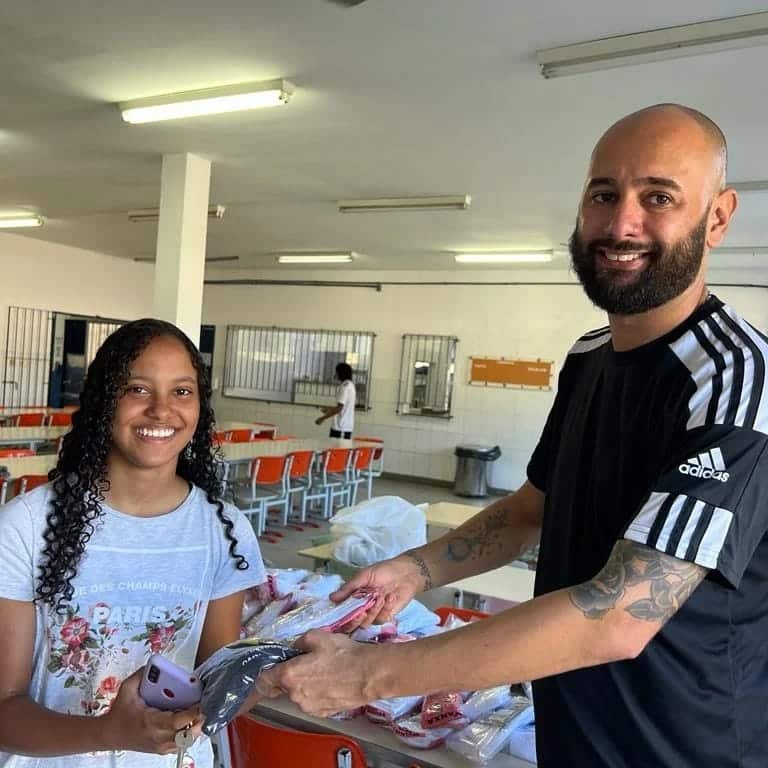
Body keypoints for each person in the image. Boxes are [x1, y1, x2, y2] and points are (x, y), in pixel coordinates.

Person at [255, 104, 768, 767]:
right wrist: (418, 568)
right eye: (604, 194)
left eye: (658, 197)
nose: (620, 223)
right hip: (572, 735)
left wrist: (365, 674)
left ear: (718, 217)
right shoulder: (589, 359)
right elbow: (532, 509)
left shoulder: (734, 380)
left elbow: (619, 615)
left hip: (683, 750)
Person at [0, 319, 266, 768]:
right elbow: (4, 707)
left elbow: (218, 688)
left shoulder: (224, 532)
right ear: (104, 400)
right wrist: (108, 731)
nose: (162, 411)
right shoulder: (25, 526)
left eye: (181, 391)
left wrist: (266, 678)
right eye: (138, 389)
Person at [315, 362, 356, 438]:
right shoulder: (349, 384)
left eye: (336, 372)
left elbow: (339, 409)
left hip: (341, 428)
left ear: (341, 373)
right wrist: (329, 409)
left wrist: (322, 418)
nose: (335, 374)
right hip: (340, 427)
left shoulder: (345, 387)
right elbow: (341, 407)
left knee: (338, 449)